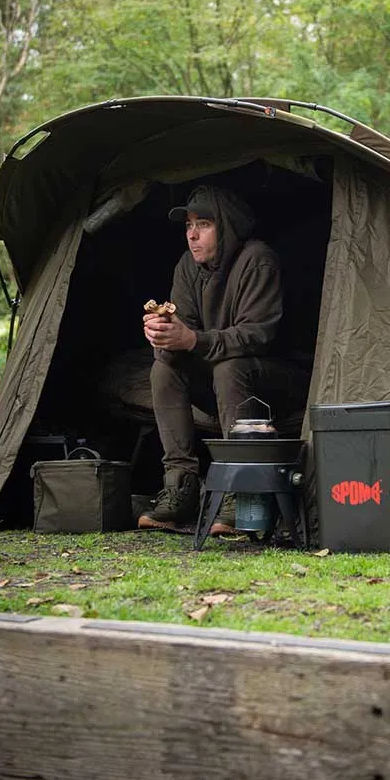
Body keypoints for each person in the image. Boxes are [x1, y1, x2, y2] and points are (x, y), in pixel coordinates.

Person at [138, 184, 299, 532]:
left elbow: (258, 336)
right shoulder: (187, 265)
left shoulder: (257, 259)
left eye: (204, 224)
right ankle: (180, 487)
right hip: (220, 379)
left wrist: (192, 339)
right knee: (164, 369)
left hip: (275, 381)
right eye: (188, 225)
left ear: (227, 226)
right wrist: (163, 337)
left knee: (230, 368)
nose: (192, 235)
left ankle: (241, 489)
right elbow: (184, 334)